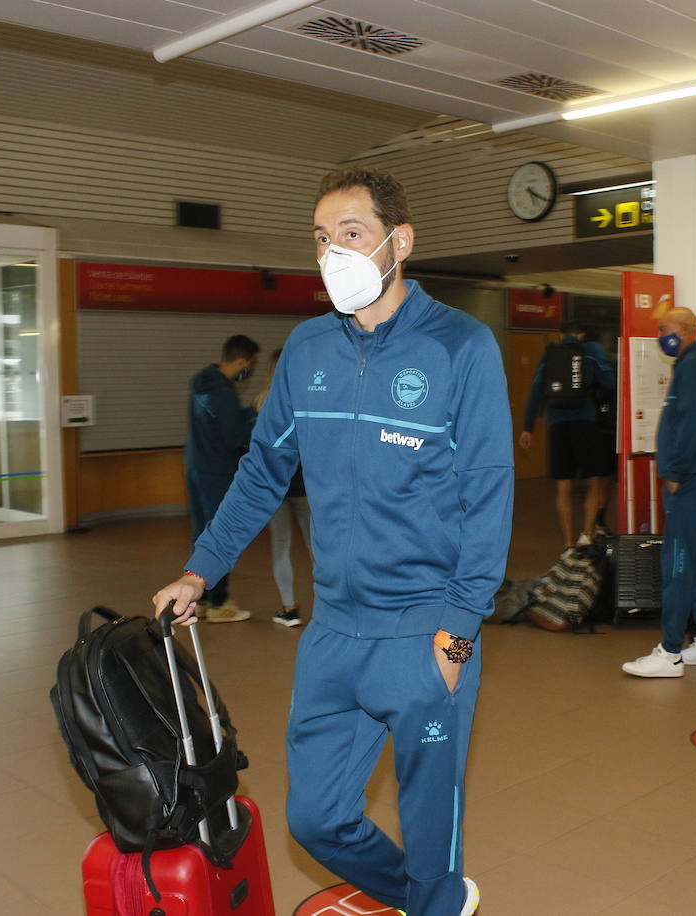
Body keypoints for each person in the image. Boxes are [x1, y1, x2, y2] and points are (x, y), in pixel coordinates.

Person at [154, 166, 512, 916]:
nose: (332, 255)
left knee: (431, 825)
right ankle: (426, 900)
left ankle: (439, 902)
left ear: (398, 242)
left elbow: (488, 496)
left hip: (424, 630)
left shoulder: (460, 347)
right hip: (335, 631)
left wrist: (456, 636)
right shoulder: (309, 350)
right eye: (321, 241)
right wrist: (200, 570)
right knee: (314, 818)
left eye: (350, 235)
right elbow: (261, 474)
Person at [622, 307, 696, 678]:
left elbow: (691, 424)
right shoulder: (694, 363)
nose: (659, 336)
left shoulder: (694, 366)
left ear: (685, 330)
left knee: (678, 562)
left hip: (693, 479)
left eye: (664, 329)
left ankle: (669, 653)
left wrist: (674, 471)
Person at [518, 320, 616, 548]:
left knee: (564, 488)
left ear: (560, 335)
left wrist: (527, 426)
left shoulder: (550, 356)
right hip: (587, 423)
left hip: (557, 425)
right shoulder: (590, 353)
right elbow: (610, 382)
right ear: (581, 334)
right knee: (594, 482)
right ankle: (587, 534)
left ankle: (568, 542)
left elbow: (536, 390)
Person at [184, 334, 259, 622]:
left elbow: (216, 424)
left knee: (200, 533)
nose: (249, 370)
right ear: (242, 361)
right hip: (217, 472)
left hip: (194, 465)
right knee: (221, 534)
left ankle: (199, 599)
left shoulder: (200, 382)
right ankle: (219, 604)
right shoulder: (225, 394)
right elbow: (234, 436)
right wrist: (252, 413)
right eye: (250, 365)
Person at [252, 348, 315, 625]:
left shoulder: (261, 403)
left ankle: (288, 609)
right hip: (306, 486)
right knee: (318, 547)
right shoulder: (308, 399)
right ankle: (331, 605)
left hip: (277, 488)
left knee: (280, 547)